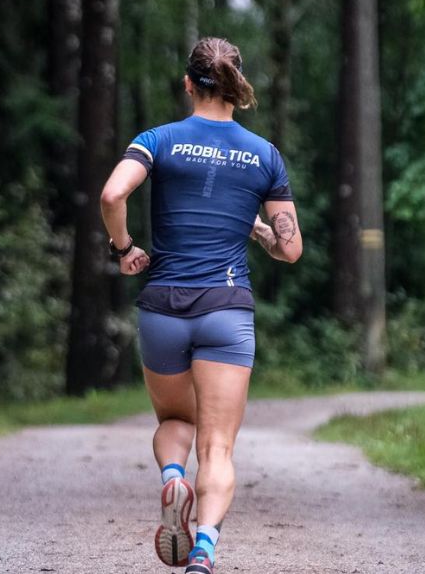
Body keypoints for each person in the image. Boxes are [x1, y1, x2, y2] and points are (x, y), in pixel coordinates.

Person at [99, 37, 302, 574]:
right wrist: (257, 228)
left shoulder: (158, 140)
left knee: (173, 418)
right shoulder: (264, 155)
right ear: (235, 87)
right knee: (218, 446)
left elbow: (112, 196)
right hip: (226, 309)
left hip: (163, 304)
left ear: (188, 83)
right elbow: (291, 249)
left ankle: (171, 480)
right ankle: (205, 550)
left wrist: (123, 251)